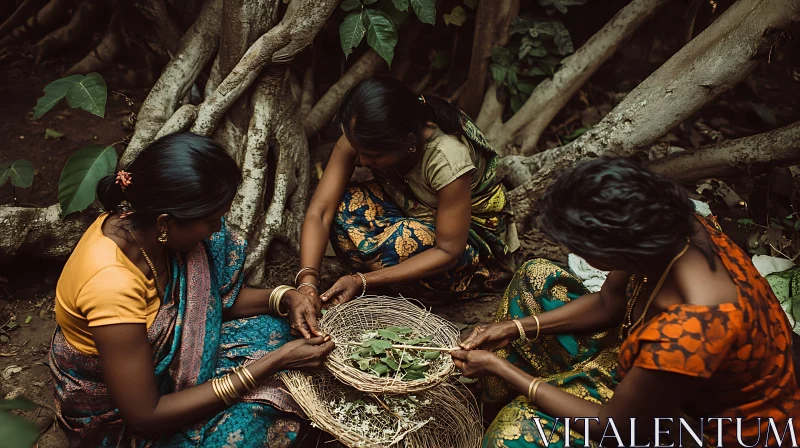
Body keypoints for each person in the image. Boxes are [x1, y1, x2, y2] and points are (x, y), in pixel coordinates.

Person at [451, 156, 800, 447]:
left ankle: (514, 398)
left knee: (515, 432)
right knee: (535, 278)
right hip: (649, 357)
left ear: (613, 251)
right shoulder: (667, 229)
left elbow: (614, 426)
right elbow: (608, 303)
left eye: (581, 248)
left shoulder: (694, 330)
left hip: (694, 425)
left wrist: (502, 368)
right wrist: (515, 327)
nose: (573, 253)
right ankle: (494, 400)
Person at [48, 133, 334, 447]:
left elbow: (211, 303)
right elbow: (145, 417)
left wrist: (284, 297)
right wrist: (276, 362)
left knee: (282, 328)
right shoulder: (110, 286)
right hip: (125, 412)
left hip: (163, 367)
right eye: (211, 219)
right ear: (165, 223)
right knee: (251, 423)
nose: (218, 228)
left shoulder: (149, 228)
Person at [296, 75, 520, 306]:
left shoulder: (446, 158)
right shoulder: (364, 134)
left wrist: (362, 280)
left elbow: (447, 251)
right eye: (358, 150)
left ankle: (414, 287)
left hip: (466, 247)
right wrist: (307, 281)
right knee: (342, 207)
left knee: (406, 240)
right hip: (416, 216)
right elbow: (321, 212)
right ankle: (390, 280)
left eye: (373, 155)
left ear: (409, 141)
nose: (361, 161)